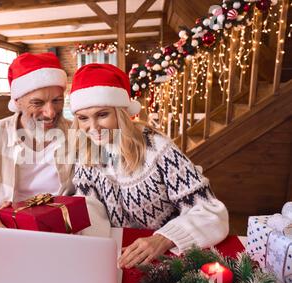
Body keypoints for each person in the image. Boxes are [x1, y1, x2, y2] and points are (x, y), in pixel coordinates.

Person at [69, 63, 229, 268]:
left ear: (121, 112)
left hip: (168, 257)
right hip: (119, 258)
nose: (93, 128)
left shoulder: (158, 148)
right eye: (83, 118)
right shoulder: (86, 153)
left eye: (102, 115)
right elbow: (89, 205)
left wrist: (163, 238)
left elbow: (211, 213)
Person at [0, 53, 110, 236]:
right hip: (6, 237)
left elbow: (94, 195)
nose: (50, 113)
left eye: (57, 100)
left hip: (65, 236)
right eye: (37, 103)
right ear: (17, 102)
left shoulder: (78, 136)